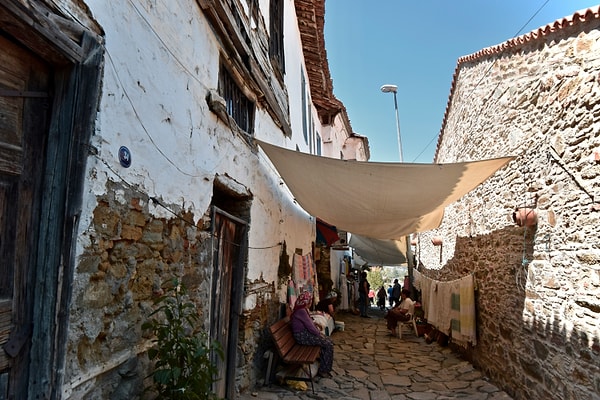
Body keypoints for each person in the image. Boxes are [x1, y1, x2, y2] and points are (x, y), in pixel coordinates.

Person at [290, 291, 334, 378]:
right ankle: (324, 370)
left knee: (328, 342)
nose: (310, 303)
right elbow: (311, 327)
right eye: (310, 301)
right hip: (302, 336)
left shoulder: (301, 310)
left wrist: (317, 329)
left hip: (304, 335)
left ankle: (324, 367)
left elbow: (309, 323)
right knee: (328, 344)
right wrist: (319, 334)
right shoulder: (301, 311)